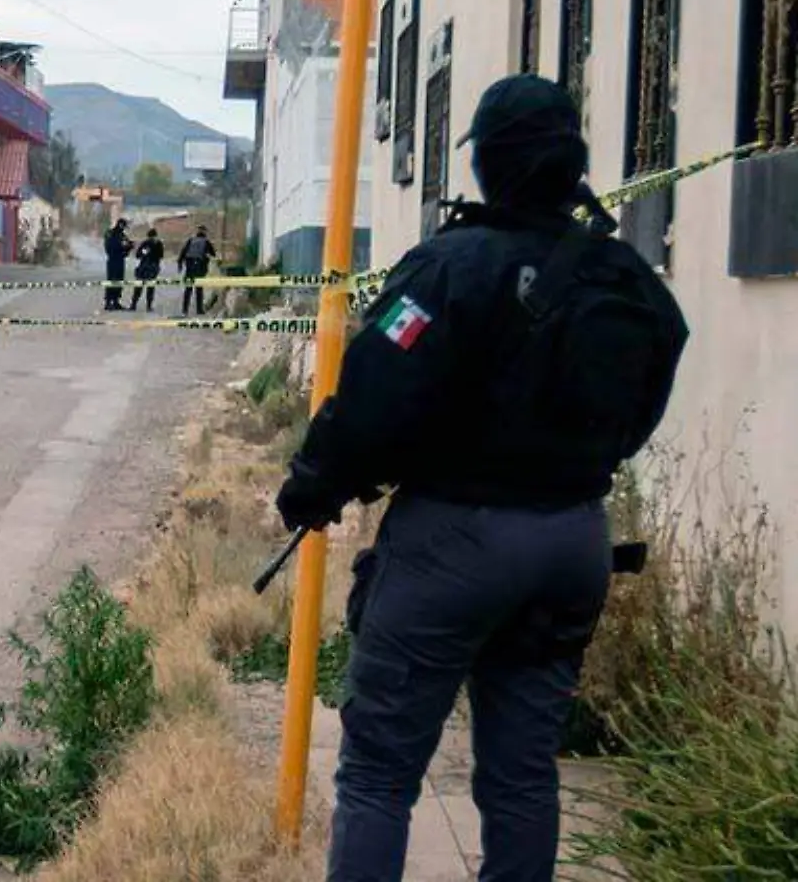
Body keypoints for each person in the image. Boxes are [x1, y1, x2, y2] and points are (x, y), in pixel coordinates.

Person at [274, 75, 687, 882]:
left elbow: (374, 391)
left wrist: (313, 485)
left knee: (380, 774)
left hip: (454, 542)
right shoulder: (624, 275)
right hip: (574, 539)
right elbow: (658, 369)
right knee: (524, 773)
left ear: (488, 164)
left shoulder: (451, 267)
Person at [178, 225, 219, 315]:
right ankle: (199, 310)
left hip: (189, 268)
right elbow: (213, 254)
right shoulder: (206, 242)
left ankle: (185, 310)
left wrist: (180, 264)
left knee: (188, 289)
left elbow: (182, 252)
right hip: (200, 268)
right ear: (205, 232)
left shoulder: (191, 240)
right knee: (199, 290)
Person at [128, 228, 167, 312]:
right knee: (150, 288)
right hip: (152, 268)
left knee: (139, 287)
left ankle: (133, 305)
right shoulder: (158, 243)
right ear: (155, 235)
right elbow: (161, 255)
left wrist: (145, 253)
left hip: (143, 267)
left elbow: (138, 255)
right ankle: (148, 306)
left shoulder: (145, 243)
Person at [103, 218, 134, 310]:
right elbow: (110, 247)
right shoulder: (110, 233)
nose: (124, 228)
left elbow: (127, 245)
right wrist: (123, 247)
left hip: (120, 260)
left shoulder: (122, 235)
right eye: (124, 226)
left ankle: (116, 301)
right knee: (111, 281)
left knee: (119, 281)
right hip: (113, 260)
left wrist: (129, 246)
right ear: (120, 225)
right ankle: (108, 302)